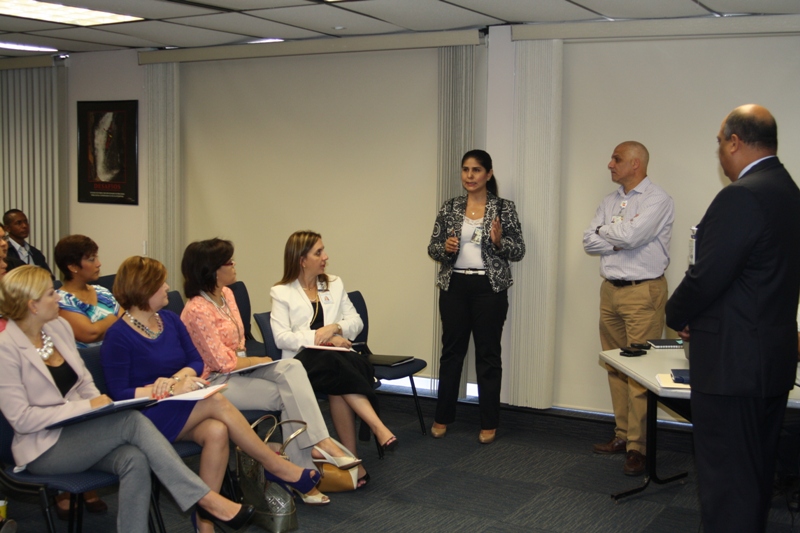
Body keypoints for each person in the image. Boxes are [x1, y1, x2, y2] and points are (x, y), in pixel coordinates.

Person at [0, 266, 255, 533]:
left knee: (135, 459)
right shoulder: (6, 349)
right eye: (50, 294)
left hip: (82, 432)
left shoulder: (58, 328)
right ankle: (206, 500)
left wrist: (97, 407)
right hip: (44, 447)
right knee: (131, 422)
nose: (58, 297)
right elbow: (22, 419)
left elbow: (84, 382)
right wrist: (86, 407)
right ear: (32, 306)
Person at [101, 257, 329, 532]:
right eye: (161, 283)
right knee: (216, 400)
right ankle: (274, 465)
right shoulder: (118, 335)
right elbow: (119, 393)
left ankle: (204, 523)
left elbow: (196, 361)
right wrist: (164, 389)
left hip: (180, 404)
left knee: (217, 431)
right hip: (146, 416)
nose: (168, 287)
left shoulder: (169, 320)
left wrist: (177, 379)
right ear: (143, 288)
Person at [665, 104, 800, 532]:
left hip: (732, 367)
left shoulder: (742, 195)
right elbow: (755, 279)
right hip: (769, 359)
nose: (720, 153)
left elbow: (707, 276)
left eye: (720, 143)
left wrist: (676, 313)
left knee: (727, 484)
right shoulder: (788, 190)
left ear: (735, 142)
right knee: (753, 474)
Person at [179, 238, 361, 479]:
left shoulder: (227, 294)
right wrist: (257, 361)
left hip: (240, 369)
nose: (234, 265)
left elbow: (239, 345)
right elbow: (223, 364)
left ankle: (317, 447)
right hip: (215, 381)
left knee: (292, 367)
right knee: (289, 395)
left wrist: (251, 361)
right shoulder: (197, 309)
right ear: (211, 270)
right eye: (229, 262)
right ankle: (304, 468)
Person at [271, 231, 396, 485]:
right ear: (302, 260)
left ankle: (352, 462)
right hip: (302, 364)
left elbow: (356, 322)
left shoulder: (334, 284)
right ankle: (376, 426)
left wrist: (335, 328)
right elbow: (282, 338)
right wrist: (322, 338)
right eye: (318, 252)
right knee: (336, 367)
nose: (325, 257)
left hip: (338, 361)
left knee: (339, 378)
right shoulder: (282, 292)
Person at [582, 141, 674, 476]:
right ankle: (622, 435)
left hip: (643, 292)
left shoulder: (657, 199)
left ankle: (639, 447)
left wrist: (608, 233)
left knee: (640, 372)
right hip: (610, 291)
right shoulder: (609, 201)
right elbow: (588, 240)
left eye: (617, 159)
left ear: (636, 163)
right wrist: (616, 237)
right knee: (616, 366)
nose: (610, 164)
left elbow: (634, 236)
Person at [427, 149, 525, 444]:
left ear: (488, 174)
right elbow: (432, 247)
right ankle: (442, 416)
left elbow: (518, 250)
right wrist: (445, 248)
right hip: (455, 287)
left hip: (489, 289)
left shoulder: (503, 208)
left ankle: (489, 422)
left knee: (488, 355)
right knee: (451, 353)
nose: (470, 176)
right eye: (466, 169)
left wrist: (499, 242)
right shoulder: (450, 207)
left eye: (476, 170)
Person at [54, 235, 121, 349]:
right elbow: (91, 334)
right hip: (88, 359)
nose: (98, 263)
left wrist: (103, 326)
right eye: (91, 259)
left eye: (96, 257)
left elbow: (127, 322)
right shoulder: (59, 300)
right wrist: (113, 318)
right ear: (73, 267)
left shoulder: (101, 291)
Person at [2, 210, 52, 276]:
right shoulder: (5, 252)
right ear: (7, 228)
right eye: (19, 223)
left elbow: (49, 277)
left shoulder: (35, 253)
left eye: (26, 222)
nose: (24, 226)